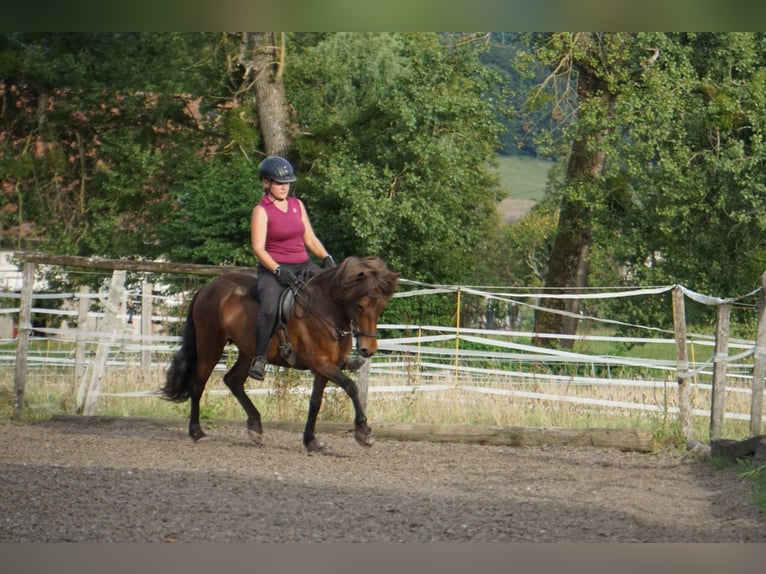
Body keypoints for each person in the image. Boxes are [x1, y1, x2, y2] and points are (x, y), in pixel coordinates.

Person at [248, 155, 364, 380]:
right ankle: (259, 358)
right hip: (274, 269)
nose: (284, 187)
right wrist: (278, 270)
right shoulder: (261, 211)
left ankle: (343, 353)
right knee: (270, 307)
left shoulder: (296, 205)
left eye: (287, 183)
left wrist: (326, 258)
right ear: (266, 183)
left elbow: (309, 238)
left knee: (337, 295)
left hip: (304, 264)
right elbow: (258, 248)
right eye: (279, 183)